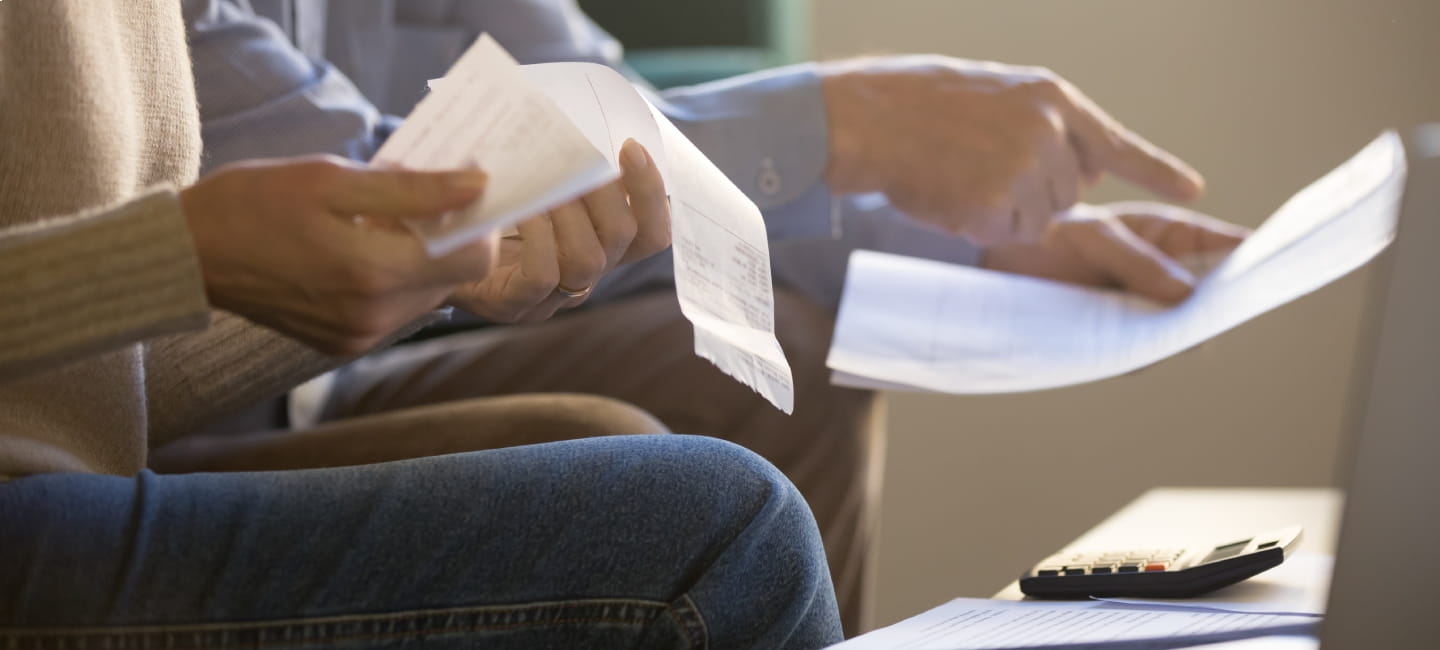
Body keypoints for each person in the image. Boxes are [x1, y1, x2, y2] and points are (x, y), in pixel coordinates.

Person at [158, 0, 1252, 636]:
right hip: (159, 397)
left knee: (782, 362)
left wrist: (983, 237)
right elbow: (348, 197)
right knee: (643, 480)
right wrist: (850, 119)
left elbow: (616, 145)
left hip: (312, 383)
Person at [0, 2, 844, 647]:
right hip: (46, 512)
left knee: (679, 428)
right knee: (724, 528)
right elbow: (195, 247)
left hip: (83, 479)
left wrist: (433, 273)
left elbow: (97, 375)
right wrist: (173, 260)